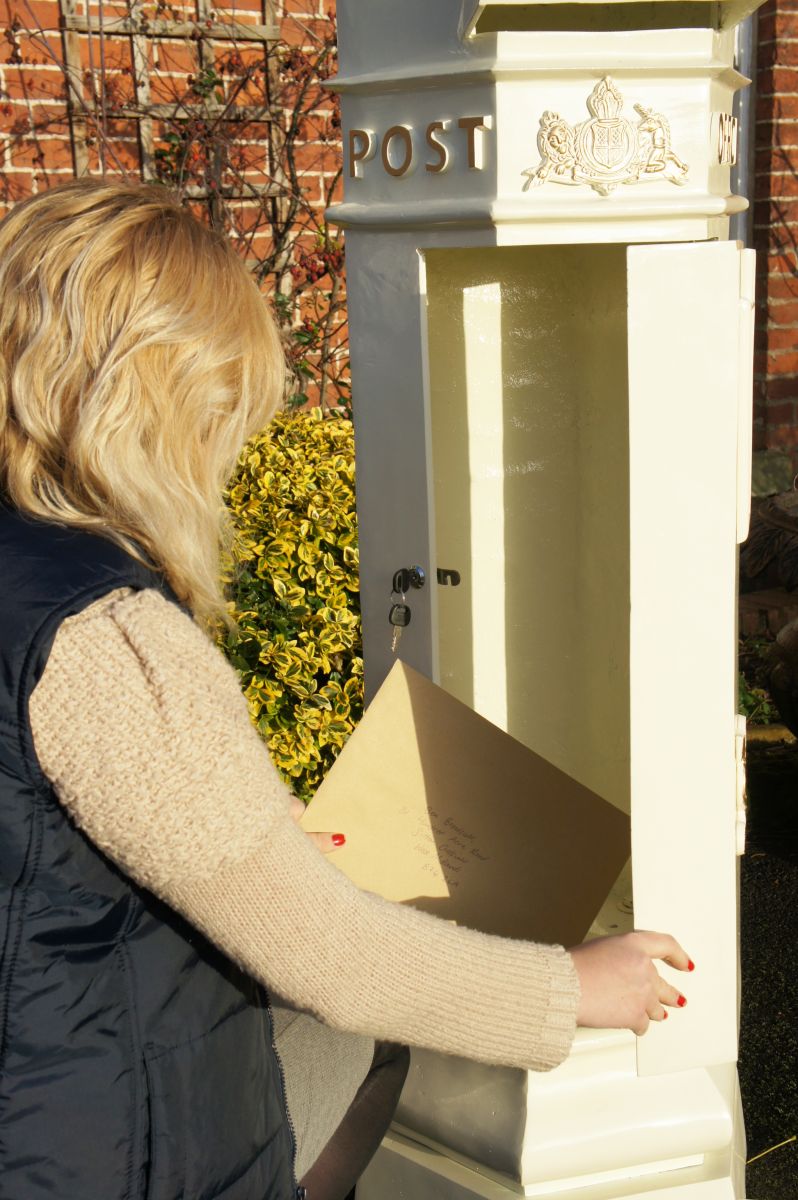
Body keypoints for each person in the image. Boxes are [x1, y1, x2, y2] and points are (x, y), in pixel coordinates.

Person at [0, 179, 692, 1200]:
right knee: (367, 1045)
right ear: (154, 405)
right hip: (95, 1148)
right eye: (223, 413)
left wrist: (252, 834)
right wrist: (574, 987)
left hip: (42, 1083)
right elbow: (331, 957)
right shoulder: (105, 640)